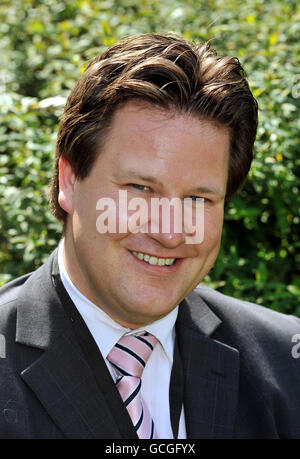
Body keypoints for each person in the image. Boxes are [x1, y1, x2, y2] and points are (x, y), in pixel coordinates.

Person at [0, 33, 299, 440]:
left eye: (198, 198)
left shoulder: (286, 361)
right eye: (140, 189)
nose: (170, 231)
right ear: (69, 180)